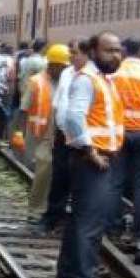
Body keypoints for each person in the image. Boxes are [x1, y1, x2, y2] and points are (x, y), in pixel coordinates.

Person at [53, 32, 125, 278]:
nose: (115, 55)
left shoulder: (103, 80)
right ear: (93, 51)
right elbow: (73, 117)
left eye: (118, 50)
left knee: (79, 222)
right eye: (109, 50)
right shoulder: (87, 80)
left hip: (97, 158)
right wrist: (90, 150)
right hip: (93, 160)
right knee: (90, 226)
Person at [108, 36, 140, 244]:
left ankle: (112, 226)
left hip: (119, 133)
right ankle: (137, 230)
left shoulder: (114, 75)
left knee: (115, 181)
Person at [38, 39, 88, 232]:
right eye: (71, 53)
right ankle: (52, 217)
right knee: (59, 177)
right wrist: (52, 133)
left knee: (80, 180)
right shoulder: (67, 74)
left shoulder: (94, 76)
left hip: (84, 137)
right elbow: (57, 104)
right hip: (62, 134)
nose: (71, 57)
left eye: (75, 53)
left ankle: (77, 222)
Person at [23, 44, 71, 222]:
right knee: (44, 172)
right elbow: (24, 109)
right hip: (41, 135)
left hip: (60, 135)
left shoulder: (67, 81)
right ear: (53, 65)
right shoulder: (36, 81)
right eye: (63, 66)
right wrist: (18, 134)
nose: (66, 69)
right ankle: (35, 210)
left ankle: (53, 207)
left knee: (58, 174)